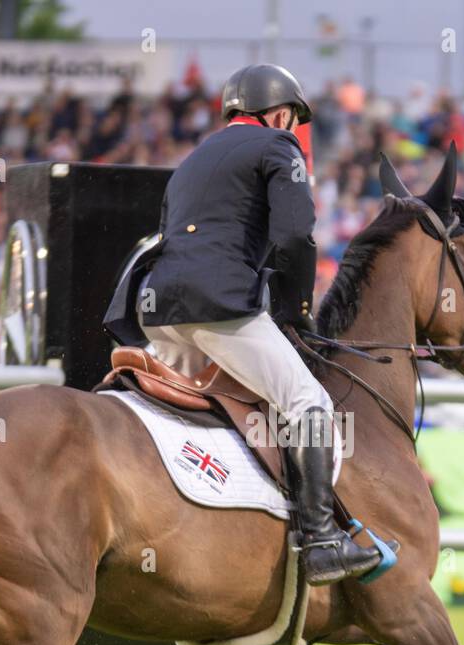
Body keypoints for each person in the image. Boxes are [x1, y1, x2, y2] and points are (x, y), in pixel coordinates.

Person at [104, 64, 382, 586]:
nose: (292, 126)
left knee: (198, 410)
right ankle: (322, 540)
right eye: (290, 118)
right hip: (219, 305)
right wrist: (295, 315)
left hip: (156, 308)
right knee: (308, 402)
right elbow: (296, 236)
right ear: (278, 112)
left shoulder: (191, 160)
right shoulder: (279, 147)